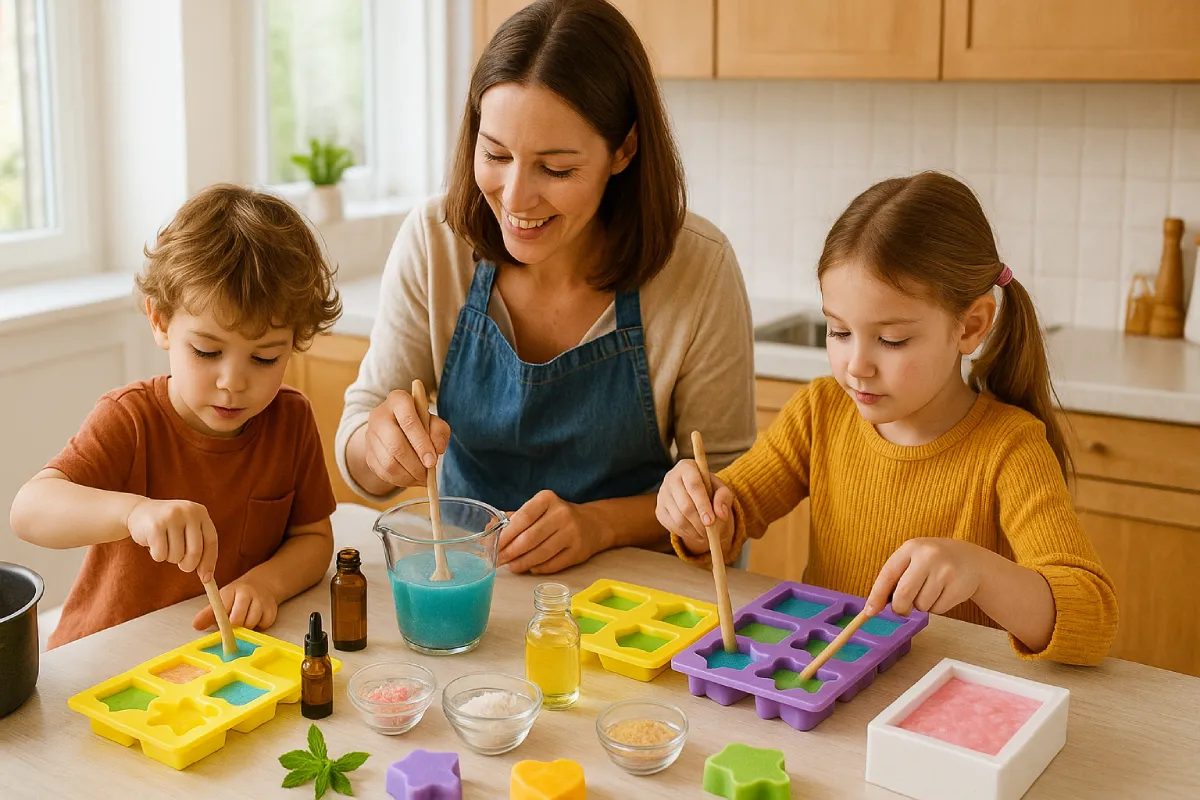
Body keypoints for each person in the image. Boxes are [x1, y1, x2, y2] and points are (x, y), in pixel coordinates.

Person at [336, 0, 755, 575]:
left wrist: (600, 525)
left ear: (624, 149)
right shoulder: (436, 242)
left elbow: (730, 492)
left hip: (636, 590)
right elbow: (358, 439)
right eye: (495, 154)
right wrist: (380, 450)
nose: (515, 198)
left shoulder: (698, 268)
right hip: (470, 581)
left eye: (556, 169)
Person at [657, 171, 1118, 665]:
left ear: (970, 326)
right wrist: (694, 512)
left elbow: (1091, 619)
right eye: (838, 332)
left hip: (938, 700)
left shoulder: (1011, 447)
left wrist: (979, 571)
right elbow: (730, 516)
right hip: (827, 688)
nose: (857, 365)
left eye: (892, 340)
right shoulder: (819, 413)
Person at [10, 184, 343, 647]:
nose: (233, 382)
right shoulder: (129, 419)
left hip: (208, 658)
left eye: (265, 358)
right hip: (108, 658)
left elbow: (313, 539)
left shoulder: (291, 420)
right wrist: (134, 512)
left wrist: (266, 584)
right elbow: (28, 511)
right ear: (160, 321)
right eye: (207, 351)